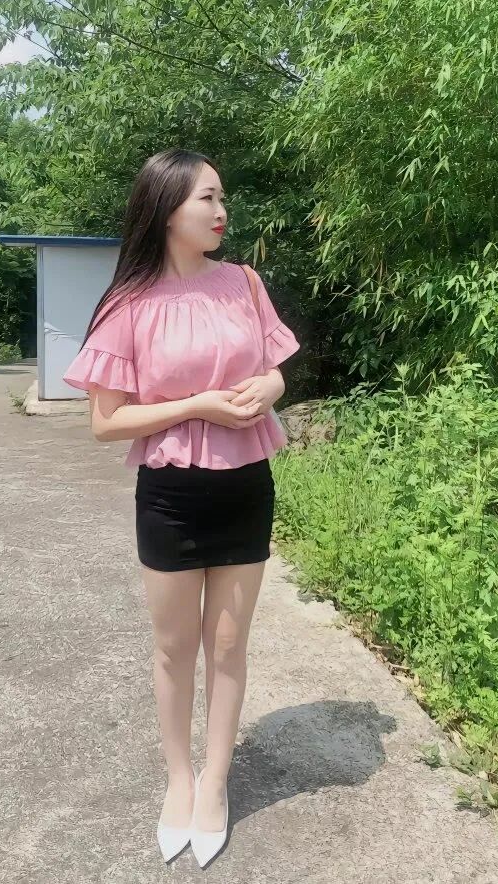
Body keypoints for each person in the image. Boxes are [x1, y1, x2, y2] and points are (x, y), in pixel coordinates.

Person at [62, 148, 300, 867]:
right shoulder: (128, 303)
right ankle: (178, 780)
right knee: (174, 648)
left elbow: (274, 372)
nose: (222, 211)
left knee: (228, 646)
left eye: (223, 197)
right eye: (207, 198)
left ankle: (215, 781)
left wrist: (270, 388)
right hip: (169, 496)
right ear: (167, 208)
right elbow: (106, 422)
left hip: (246, 485)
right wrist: (197, 405)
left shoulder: (244, 283)